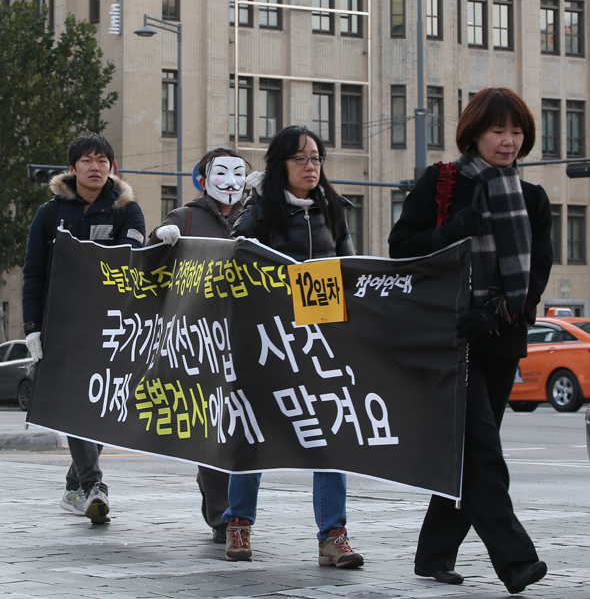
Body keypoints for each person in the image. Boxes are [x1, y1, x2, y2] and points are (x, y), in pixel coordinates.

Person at [388, 88, 552, 595]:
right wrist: (451, 230)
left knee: (468, 452)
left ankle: (433, 553)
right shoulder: (443, 183)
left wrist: (496, 310)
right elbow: (401, 249)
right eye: (499, 130)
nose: (509, 141)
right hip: (446, 338)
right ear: (474, 133)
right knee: (482, 450)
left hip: (499, 337)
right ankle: (516, 560)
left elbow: (537, 271)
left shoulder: (532, 198)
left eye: (517, 131)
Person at [224, 125, 364, 569]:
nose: (311, 166)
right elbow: (234, 263)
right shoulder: (258, 212)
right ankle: (238, 524)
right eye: (301, 158)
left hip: (318, 339)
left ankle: (332, 535)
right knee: (252, 431)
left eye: (317, 158)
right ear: (280, 164)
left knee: (330, 437)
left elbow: (348, 267)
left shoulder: (333, 208)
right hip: (266, 341)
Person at [22, 133, 146, 524]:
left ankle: (74, 488)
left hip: (111, 326)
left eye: (103, 161)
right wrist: (33, 328)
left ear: (112, 167)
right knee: (78, 403)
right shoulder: (50, 213)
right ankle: (94, 486)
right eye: (88, 161)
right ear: (72, 167)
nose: (96, 167)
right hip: (61, 326)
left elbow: (132, 262)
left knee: (103, 406)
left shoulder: (128, 211)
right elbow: (34, 273)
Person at [147, 148, 247, 543]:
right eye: (221, 172)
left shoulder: (254, 218)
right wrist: (161, 237)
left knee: (241, 428)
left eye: (239, 173)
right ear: (203, 179)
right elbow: (151, 260)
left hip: (245, 338)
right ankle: (223, 515)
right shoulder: (187, 216)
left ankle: (235, 509)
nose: (231, 180)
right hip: (198, 341)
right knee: (214, 428)